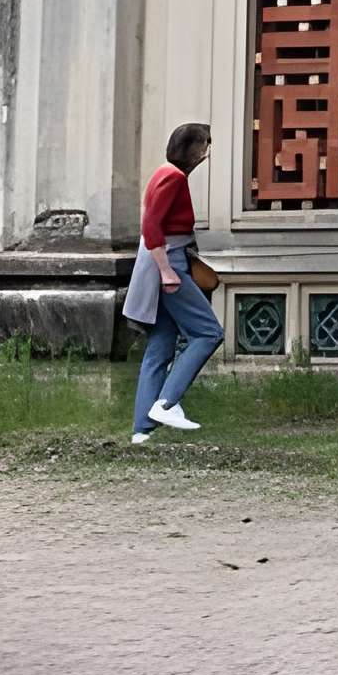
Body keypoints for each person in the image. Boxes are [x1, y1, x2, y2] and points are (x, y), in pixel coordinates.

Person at [125, 122, 221, 444]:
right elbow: (151, 224)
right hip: (169, 262)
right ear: (193, 148)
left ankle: (142, 430)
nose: (207, 152)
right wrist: (167, 271)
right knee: (208, 333)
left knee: (161, 344)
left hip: (161, 260)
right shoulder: (173, 177)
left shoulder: (163, 173)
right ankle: (166, 403)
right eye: (205, 145)